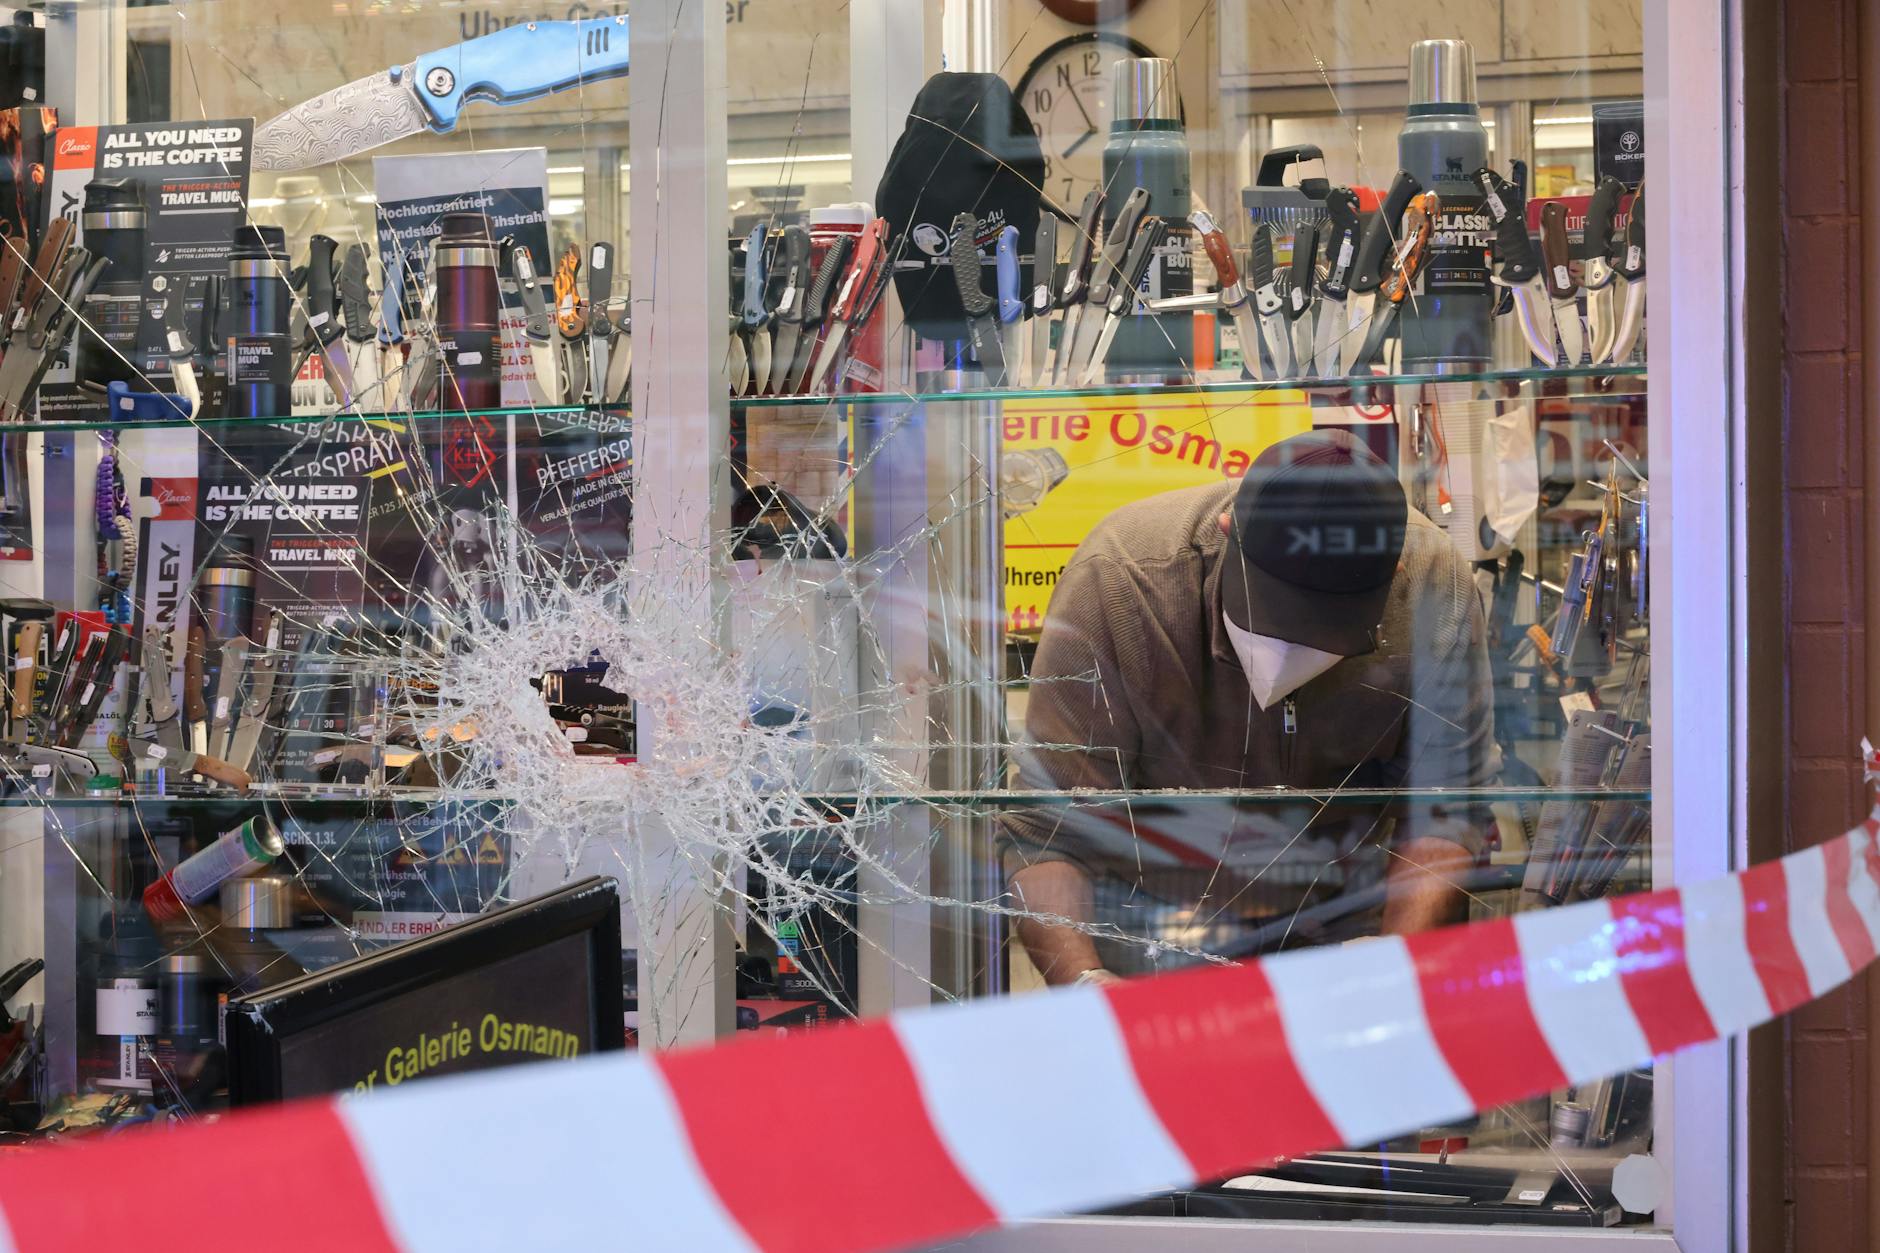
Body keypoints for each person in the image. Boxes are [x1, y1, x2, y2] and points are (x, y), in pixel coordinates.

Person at [1002, 428, 1499, 985]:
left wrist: (1391, 969)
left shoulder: (1434, 589)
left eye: (1323, 637)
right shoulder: (1120, 582)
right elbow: (1049, 827)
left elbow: (1443, 808)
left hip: (1345, 923)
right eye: (1272, 620)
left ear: (1395, 576)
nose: (1288, 659)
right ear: (1226, 529)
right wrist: (1084, 985)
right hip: (1147, 930)